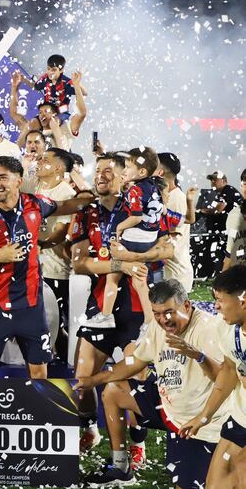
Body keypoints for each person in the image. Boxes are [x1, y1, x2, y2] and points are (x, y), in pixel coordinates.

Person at [75, 280, 227, 486]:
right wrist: (93, 380)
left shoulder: (210, 329)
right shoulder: (158, 328)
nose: (163, 319)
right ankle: (121, 468)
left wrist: (197, 355)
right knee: (113, 390)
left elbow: (224, 378)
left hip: (197, 422)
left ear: (187, 306)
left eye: (169, 312)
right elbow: (135, 361)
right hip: (166, 406)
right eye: (156, 313)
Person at [69, 154, 172, 452]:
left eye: (109, 171)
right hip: (101, 306)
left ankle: (137, 442)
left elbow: (167, 248)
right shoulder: (86, 213)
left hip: (139, 307)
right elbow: (79, 263)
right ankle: (89, 428)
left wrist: (133, 259)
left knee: (136, 378)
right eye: (97, 170)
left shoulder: (145, 204)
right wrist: (118, 265)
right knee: (83, 377)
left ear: (124, 176)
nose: (100, 176)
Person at [0, 156, 89, 379]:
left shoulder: (36, 204)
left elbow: (69, 205)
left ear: (19, 181)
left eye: (3, 177)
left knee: (39, 373)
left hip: (31, 306)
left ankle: (39, 414)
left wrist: (93, 196)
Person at [179, 265, 246, 488]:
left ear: (243, 301)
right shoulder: (226, 328)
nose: (215, 306)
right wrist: (204, 417)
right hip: (240, 418)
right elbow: (228, 370)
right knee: (215, 484)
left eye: (221, 300)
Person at [84, 147, 164, 330]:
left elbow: (136, 217)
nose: (125, 172)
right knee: (139, 279)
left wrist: (120, 228)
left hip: (134, 240)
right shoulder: (153, 188)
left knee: (114, 277)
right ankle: (149, 321)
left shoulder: (134, 191)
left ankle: (106, 315)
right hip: (147, 239)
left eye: (127, 168)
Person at [35, 148, 76, 360]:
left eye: (45, 159)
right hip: (30, 268)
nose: (39, 161)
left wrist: (38, 244)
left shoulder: (65, 194)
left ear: (59, 168)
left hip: (54, 270)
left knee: (55, 323)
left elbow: (60, 232)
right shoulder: (33, 186)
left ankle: (63, 364)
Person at [10, 69, 86, 151]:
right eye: (40, 112)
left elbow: (81, 113)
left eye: (46, 112)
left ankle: (61, 154)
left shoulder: (65, 129)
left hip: (61, 161)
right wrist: (14, 88)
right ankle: (14, 153)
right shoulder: (32, 129)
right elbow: (14, 113)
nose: (42, 115)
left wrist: (77, 85)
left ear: (55, 114)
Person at [157, 152, 195, 290]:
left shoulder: (175, 198)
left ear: (160, 172)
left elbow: (172, 238)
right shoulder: (164, 198)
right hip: (170, 272)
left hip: (175, 274)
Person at [223, 169, 246, 270]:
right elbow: (230, 251)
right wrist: (221, 281)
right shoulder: (234, 215)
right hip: (240, 276)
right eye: (245, 184)